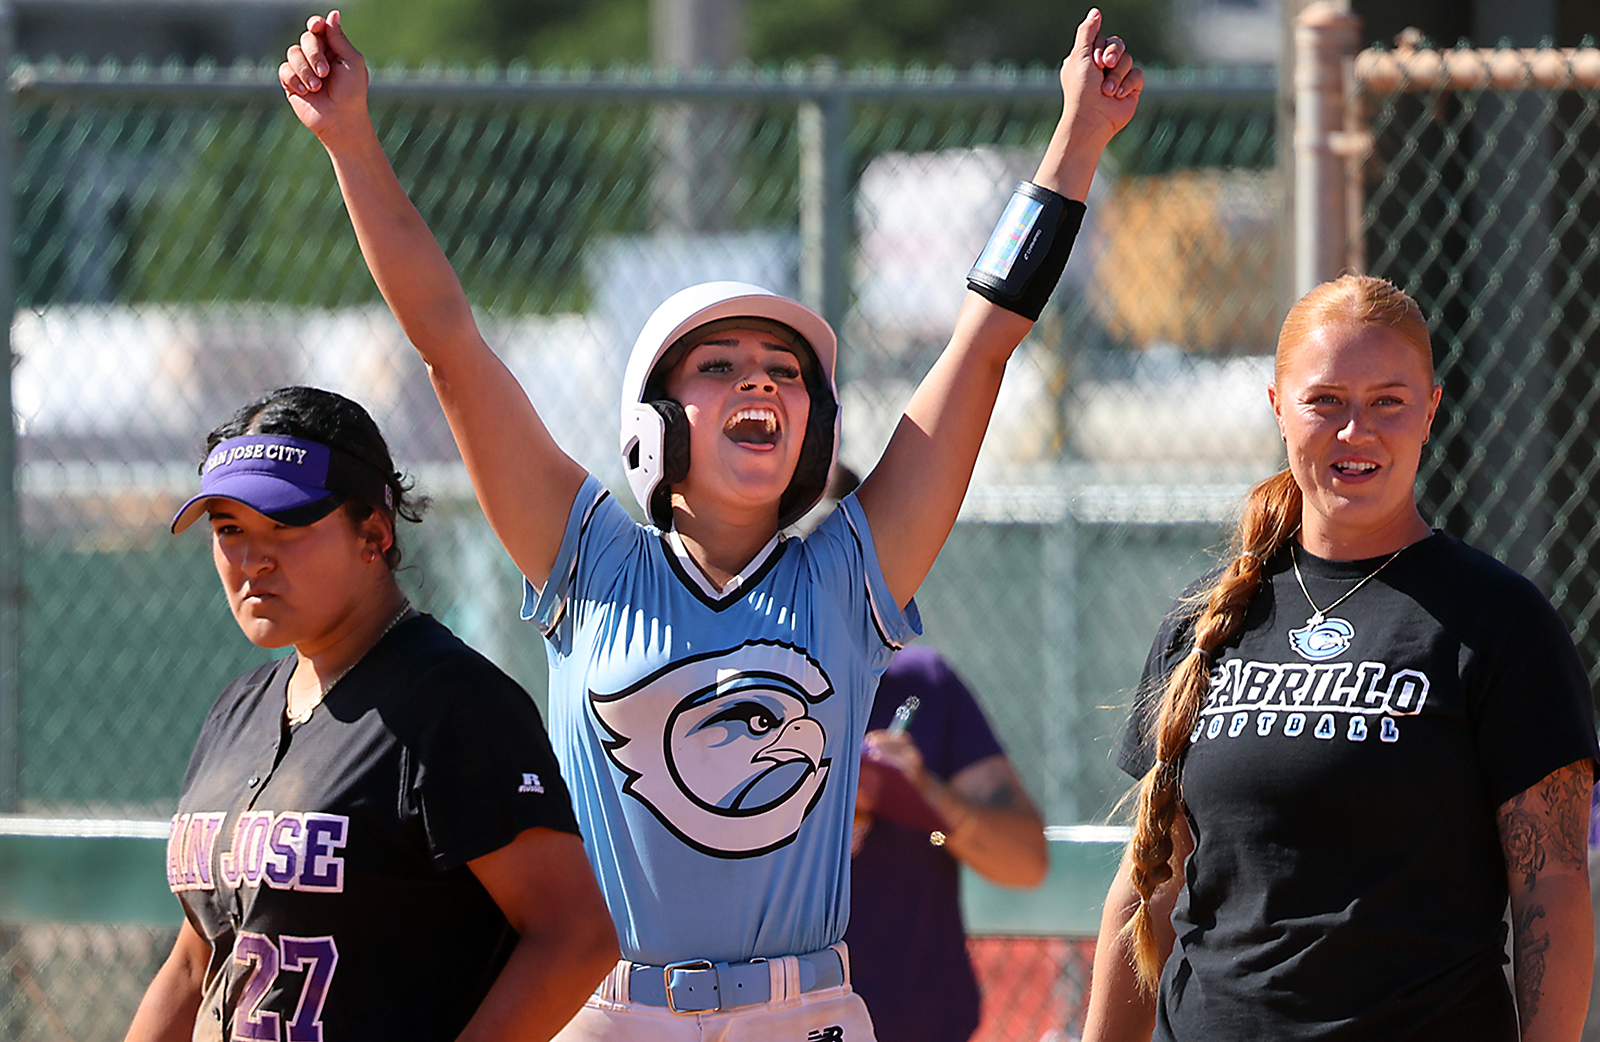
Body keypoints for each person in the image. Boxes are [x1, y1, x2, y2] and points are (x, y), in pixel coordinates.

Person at [278, 11, 1140, 1039]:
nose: (760, 384)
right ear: (652, 423)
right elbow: (449, 345)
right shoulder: (588, 554)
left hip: (804, 1010)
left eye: (784, 371)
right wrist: (352, 142)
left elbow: (985, 341)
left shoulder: (847, 568)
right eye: (720, 365)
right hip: (609, 1009)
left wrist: (1075, 142)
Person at [1083, 275, 1599, 1042]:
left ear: (1430, 411)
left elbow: (1551, 883)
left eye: (1388, 401)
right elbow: (1150, 884)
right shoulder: (1208, 618)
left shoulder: (1501, 624)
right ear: (1278, 409)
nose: (1356, 431)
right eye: (1326, 400)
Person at [125, 386, 617, 1042]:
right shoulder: (238, 710)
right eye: (229, 530)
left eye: (286, 525)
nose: (251, 559)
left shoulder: (453, 704)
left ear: (374, 534)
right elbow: (196, 964)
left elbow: (575, 936)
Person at [848, 643, 1049, 1042]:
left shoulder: (918, 683)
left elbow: (1028, 862)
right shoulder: (715, 687)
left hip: (919, 1024)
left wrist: (927, 797)